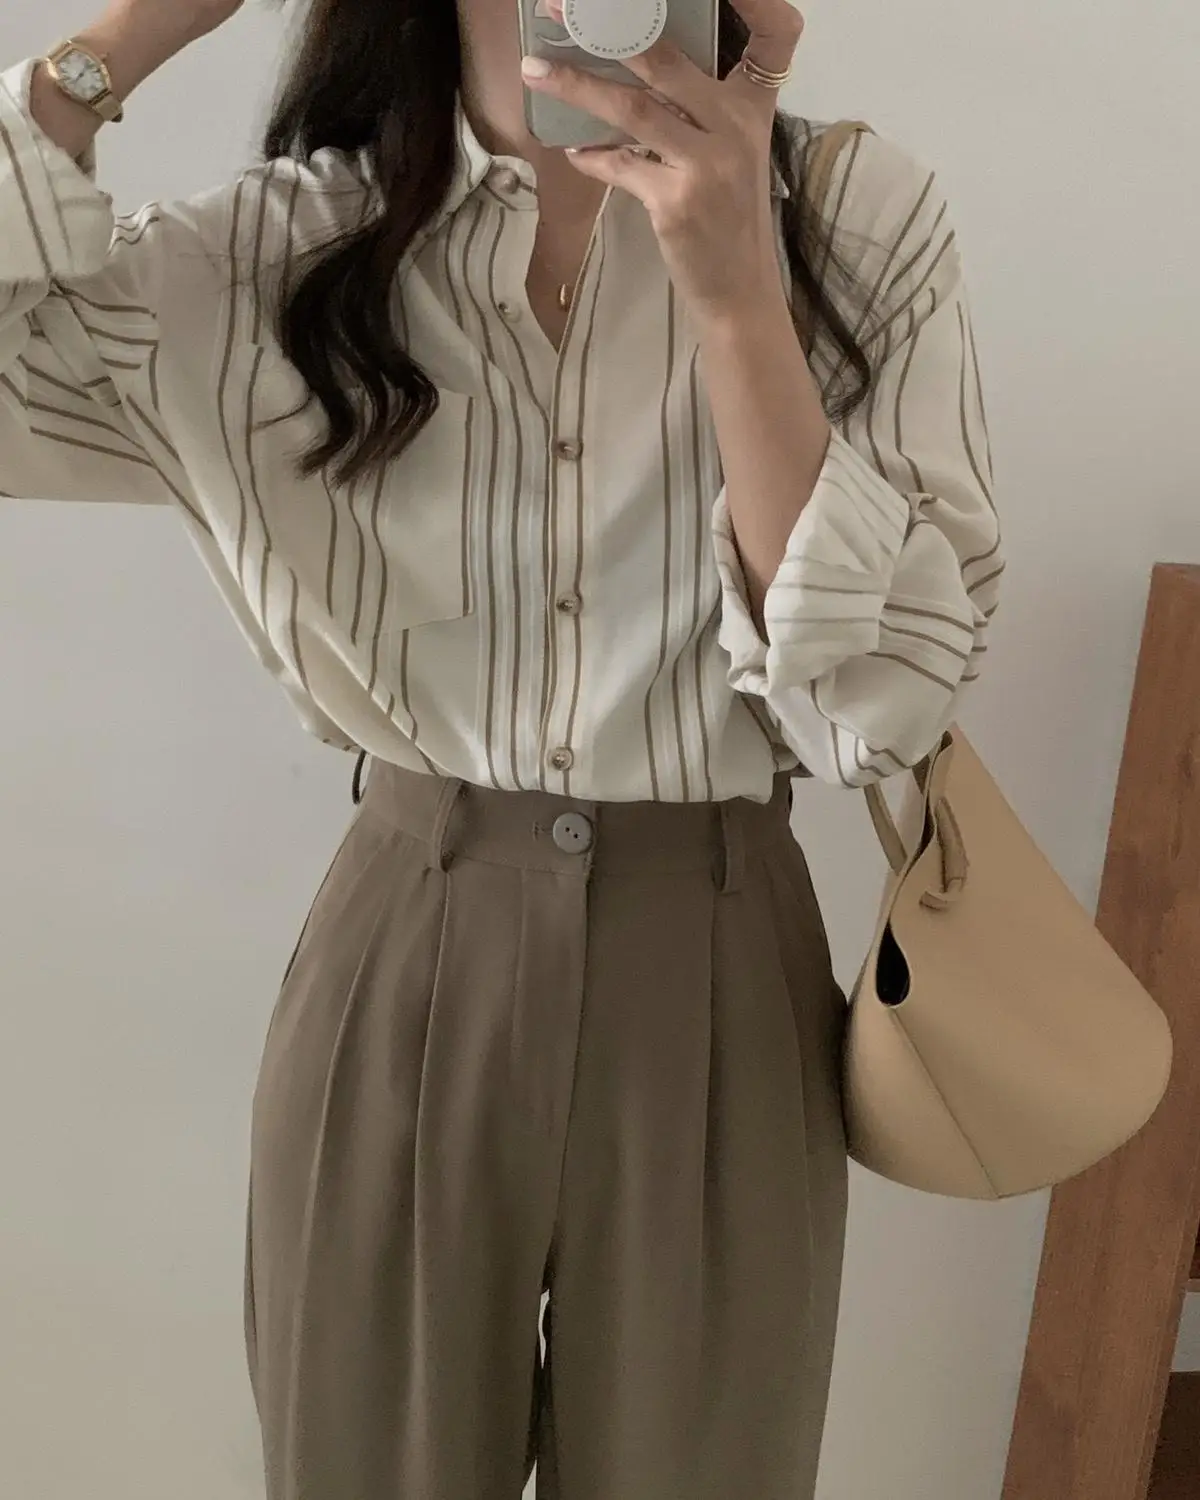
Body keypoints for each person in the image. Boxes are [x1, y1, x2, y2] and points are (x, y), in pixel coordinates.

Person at [0, 0, 1002, 1494]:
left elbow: (892, 701)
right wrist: (133, 36)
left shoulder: (853, 221)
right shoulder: (274, 251)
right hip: (409, 952)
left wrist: (741, 301)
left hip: (718, 965)